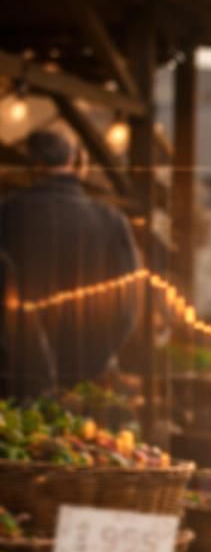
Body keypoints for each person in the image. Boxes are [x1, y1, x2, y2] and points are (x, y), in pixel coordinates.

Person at [0, 127, 142, 401]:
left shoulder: (7, 215)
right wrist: (94, 362)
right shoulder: (110, 221)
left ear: (33, 165)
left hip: (12, 384)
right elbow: (127, 307)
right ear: (78, 162)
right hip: (86, 386)